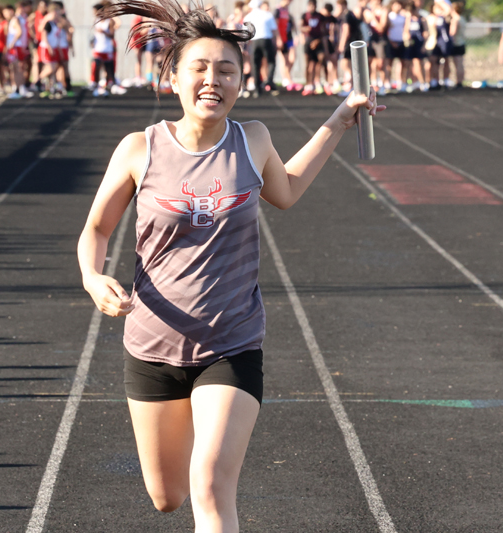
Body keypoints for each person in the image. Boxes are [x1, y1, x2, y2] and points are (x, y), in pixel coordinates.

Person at [77, 1, 384, 531]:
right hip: (153, 345)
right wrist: (92, 276)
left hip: (232, 343)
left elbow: (284, 192)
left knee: (212, 485)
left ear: (242, 80)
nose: (213, 80)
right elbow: (97, 230)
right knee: (167, 497)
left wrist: (337, 120)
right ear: (172, 76)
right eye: (199, 68)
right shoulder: (138, 150)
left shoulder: (253, 140)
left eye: (227, 70)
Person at [244, 0, 277, 96]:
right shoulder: (267, 15)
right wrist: (275, 42)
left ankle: (257, 89)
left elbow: (245, 33)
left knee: (255, 64)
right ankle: (269, 79)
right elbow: (274, 30)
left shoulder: (248, 17)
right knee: (271, 61)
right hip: (266, 40)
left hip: (254, 42)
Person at [300, 0, 326, 95]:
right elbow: (301, 27)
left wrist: (318, 41)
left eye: (313, 6)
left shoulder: (320, 16)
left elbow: (324, 30)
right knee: (308, 63)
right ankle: (308, 84)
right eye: (310, 6)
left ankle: (317, 81)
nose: (311, 7)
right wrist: (305, 29)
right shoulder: (305, 15)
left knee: (320, 60)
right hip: (308, 41)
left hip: (318, 41)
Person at [274, 0, 297, 90]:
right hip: (282, 39)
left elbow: (293, 25)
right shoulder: (277, 10)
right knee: (284, 60)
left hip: (289, 38)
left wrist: (296, 36)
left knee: (292, 58)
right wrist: (278, 39)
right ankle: (287, 79)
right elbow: (275, 25)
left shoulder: (287, 11)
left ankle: (287, 77)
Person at [448, 1, 466, 88]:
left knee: (458, 64)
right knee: (461, 64)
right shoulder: (462, 18)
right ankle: (460, 81)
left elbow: (452, 32)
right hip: (462, 42)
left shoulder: (455, 19)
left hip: (456, 44)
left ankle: (459, 82)